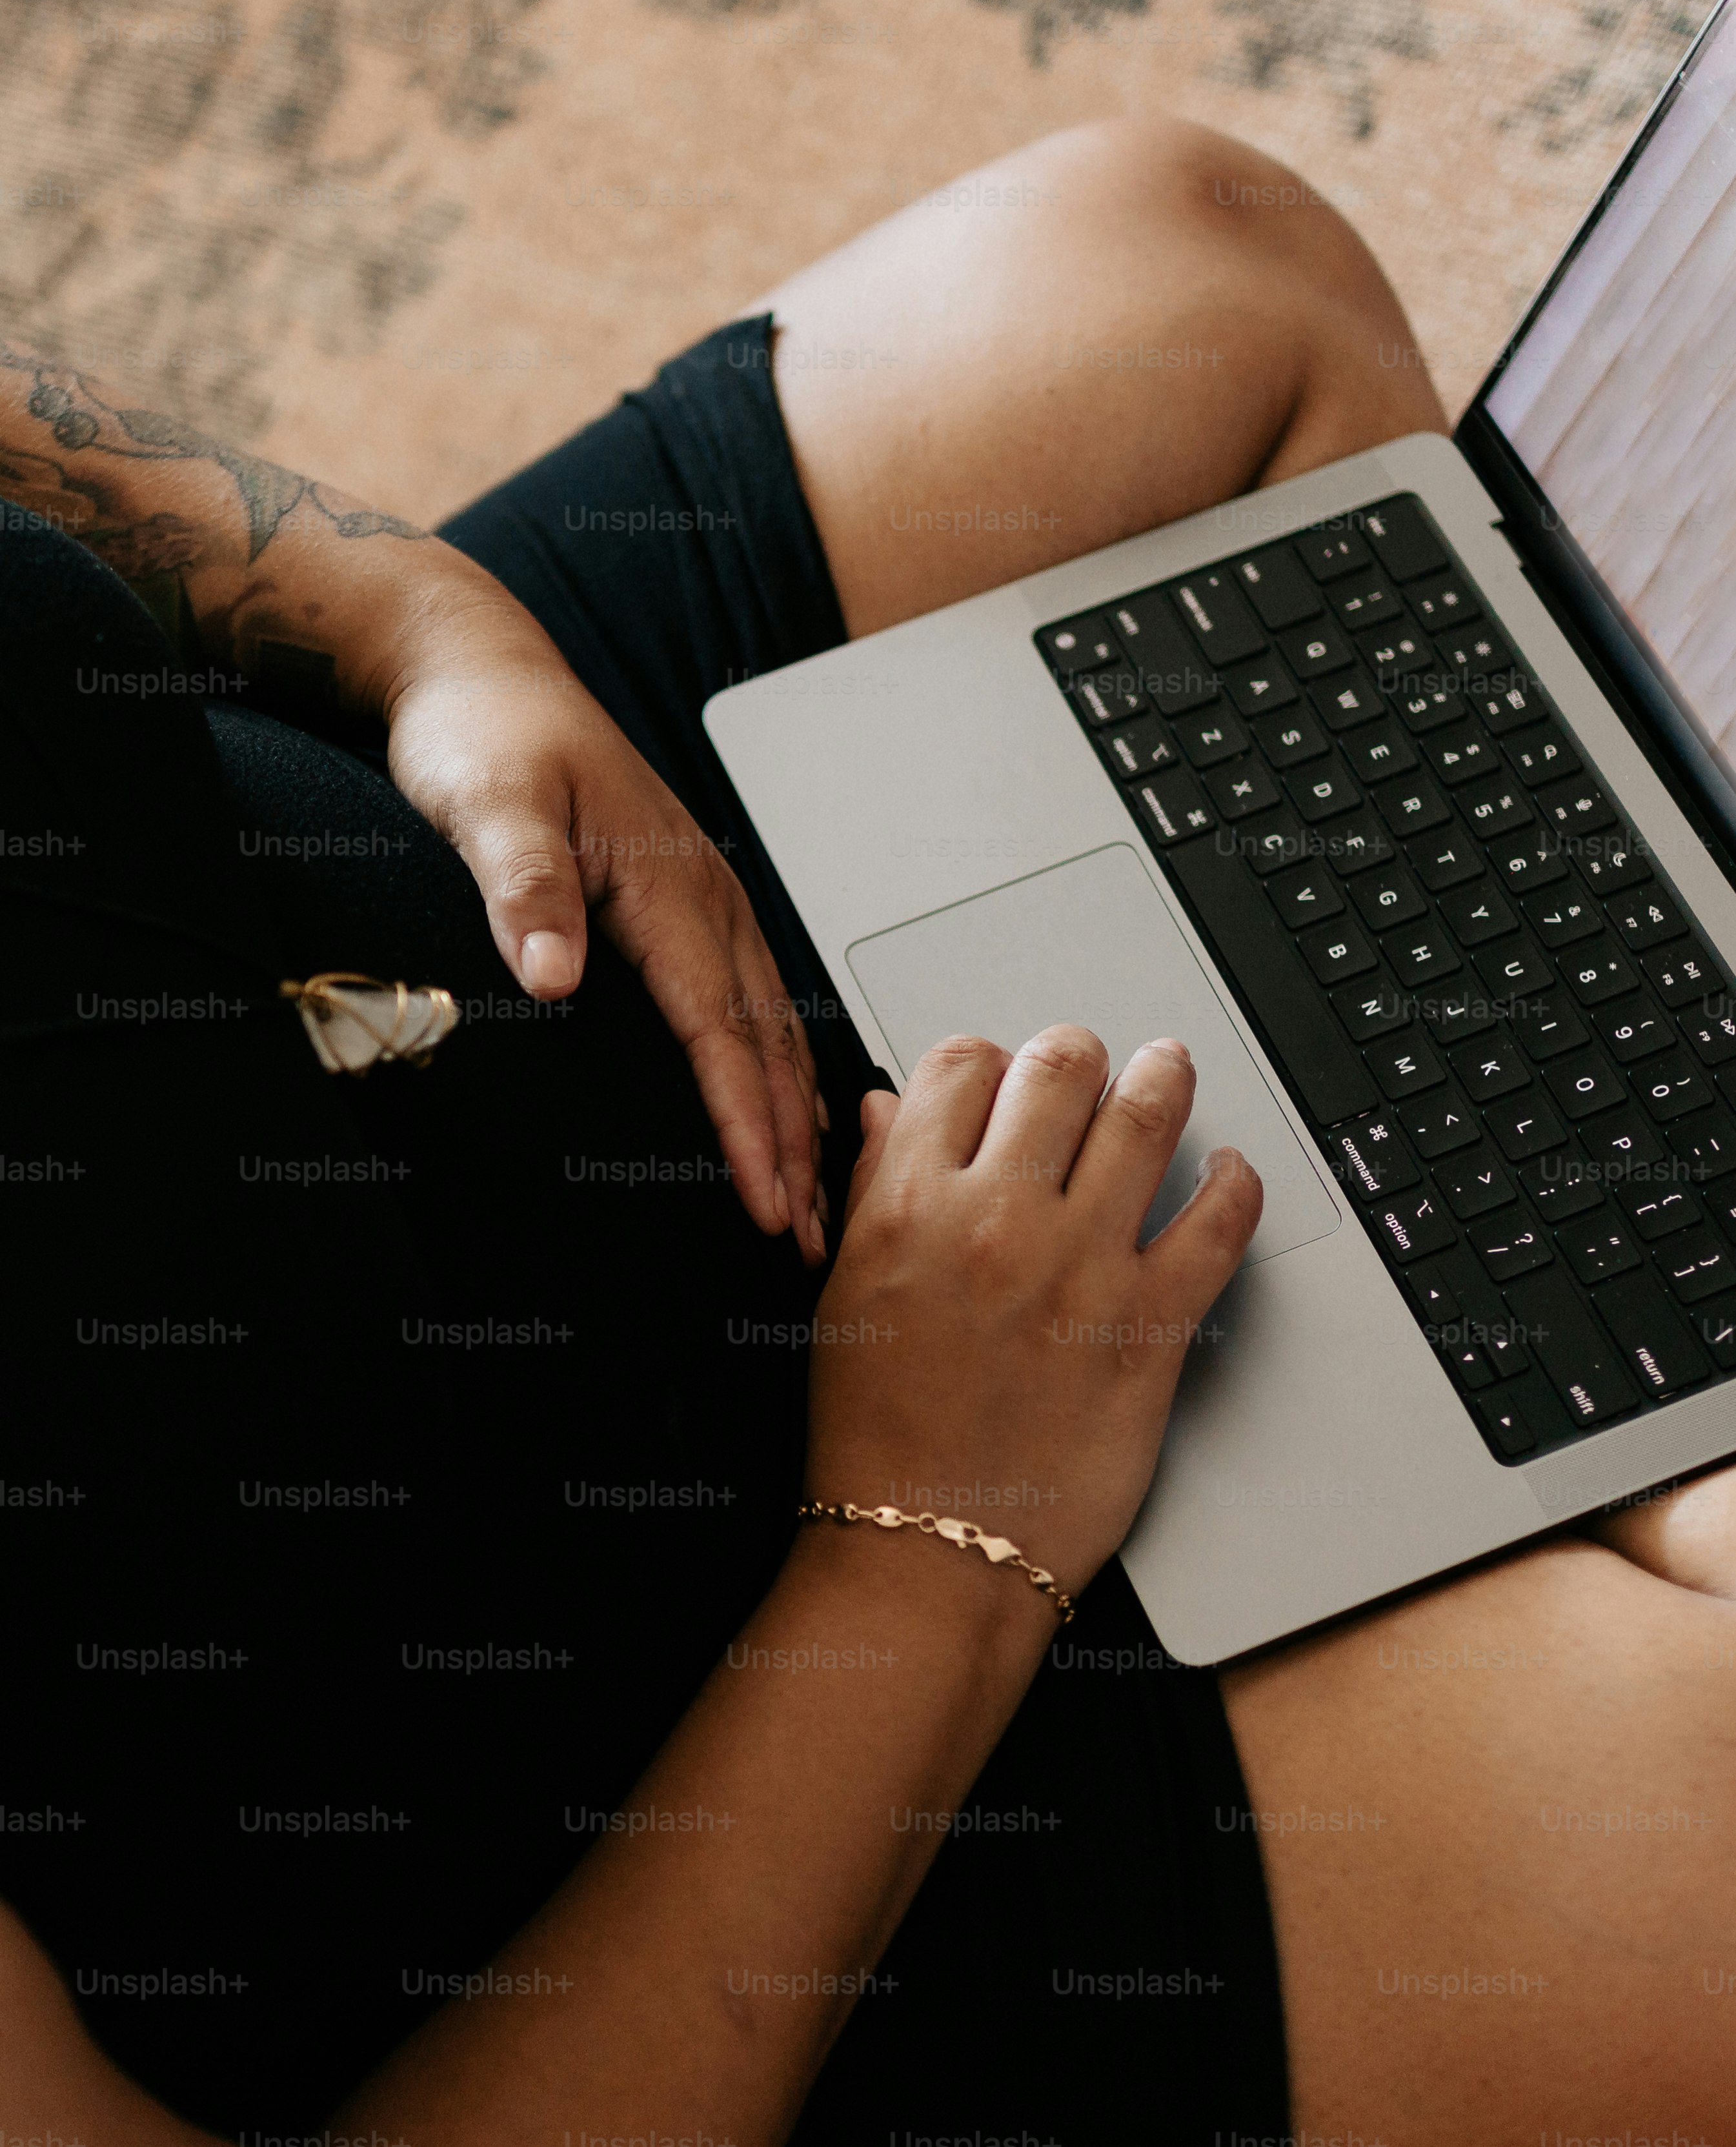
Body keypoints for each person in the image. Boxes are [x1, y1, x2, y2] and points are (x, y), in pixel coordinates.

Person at [3, 114, 1736, 2147]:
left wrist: (427, 634)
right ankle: (1547, 1366)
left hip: (447, 895)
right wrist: (929, 1547)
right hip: (650, 1784)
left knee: (1193, 271)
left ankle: (1517, 1320)